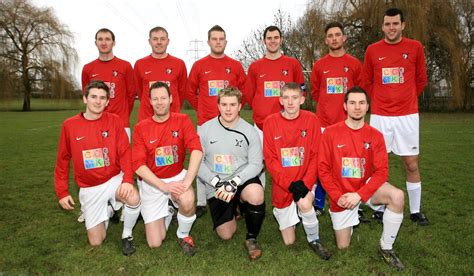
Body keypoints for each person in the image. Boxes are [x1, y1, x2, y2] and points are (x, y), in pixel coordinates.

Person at [318, 86, 405, 271]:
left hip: (366, 189)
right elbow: (323, 170)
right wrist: (336, 195)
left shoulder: (376, 136)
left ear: (367, 107)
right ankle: (352, 216)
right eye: (352, 103)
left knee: (397, 196)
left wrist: (359, 195)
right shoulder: (330, 133)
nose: (357, 107)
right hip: (341, 193)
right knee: (343, 247)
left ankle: (386, 247)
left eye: (361, 103)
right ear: (345, 106)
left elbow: (382, 171)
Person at [54, 80, 141, 256]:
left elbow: (125, 153)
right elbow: (63, 160)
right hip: (89, 187)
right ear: (85, 99)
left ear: (108, 102)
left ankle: (127, 234)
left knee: (133, 197)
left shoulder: (115, 121)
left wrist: (126, 180)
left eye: (102, 98)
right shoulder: (69, 125)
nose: (98, 101)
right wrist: (62, 192)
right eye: (93, 96)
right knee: (96, 241)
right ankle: (108, 209)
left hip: (113, 179)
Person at [361, 8, 429, 225]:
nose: (392, 28)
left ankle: (416, 211)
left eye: (395, 24)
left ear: (403, 25)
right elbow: (366, 82)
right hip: (381, 117)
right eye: (388, 24)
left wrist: (404, 98)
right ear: (382, 26)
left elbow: (421, 80)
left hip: (407, 116)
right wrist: (382, 100)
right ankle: (380, 207)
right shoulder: (372, 50)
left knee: (411, 163)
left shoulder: (415, 47)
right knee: (378, 164)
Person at [133, 81, 203, 256]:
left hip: (176, 176)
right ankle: (169, 210)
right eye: (155, 99)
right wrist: (163, 187)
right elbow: (138, 165)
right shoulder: (141, 127)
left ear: (171, 99)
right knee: (155, 243)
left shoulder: (183, 120)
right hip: (152, 182)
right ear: (149, 101)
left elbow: (196, 150)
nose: (159, 102)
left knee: (187, 200)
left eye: (163, 97)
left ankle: (183, 234)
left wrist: (187, 182)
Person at [263, 82, 330, 260]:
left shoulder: (312, 119)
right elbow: (270, 160)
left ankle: (314, 239)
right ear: (280, 100)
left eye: (294, 98)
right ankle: (293, 218)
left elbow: (316, 155)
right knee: (289, 242)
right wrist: (289, 184)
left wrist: (306, 183)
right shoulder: (270, 122)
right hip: (283, 185)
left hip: (304, 180)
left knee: (305, 204)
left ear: (302, 99)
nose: (290, 102)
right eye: (286, 98)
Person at [186, 25, 247, 218]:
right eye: (214, 39)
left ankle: (235, 196)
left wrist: (234, 112)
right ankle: (203, 201)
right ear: (209, 42)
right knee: (201, 159)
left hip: (230, 122)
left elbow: (243, 91)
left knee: (231, 158)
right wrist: (202, 108)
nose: (218, 42)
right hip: (205, 121)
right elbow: (189, 91)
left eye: (221, 39)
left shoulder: (236, 65)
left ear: (225, 42)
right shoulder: (199, 65)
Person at [198, 87, 265, 260]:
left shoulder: (250, 131)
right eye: (224, 104)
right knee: (226, 234)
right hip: (217, 184)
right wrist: (217, 183)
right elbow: (197, 163)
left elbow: (257, 164)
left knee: (256, 195)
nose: (228, 109)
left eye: (232, 104)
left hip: (240, 180)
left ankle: (251, 238)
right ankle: (235, 207)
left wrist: (234, 182)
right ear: (218, 106)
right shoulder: (205, 129)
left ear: (240, 106)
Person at [310, 22, 362, 215]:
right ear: (326, 40)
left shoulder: (355, 64)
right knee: (323, 164)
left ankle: (352, 201)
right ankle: (319, 202)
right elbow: (316, 92)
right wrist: (327, 107)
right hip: (324, 123)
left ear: (344, 38)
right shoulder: (319, 65)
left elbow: (360, 93)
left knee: (349, 162)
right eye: (330, 35)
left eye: (337, 35)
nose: (334, 38)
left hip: (349, 124)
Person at [246, 25, 305, 188]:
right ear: (264, 41)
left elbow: (301, 89)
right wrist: (260, 109)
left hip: (288, 124)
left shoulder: (292, 64)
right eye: (269, 38)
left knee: (289, 161)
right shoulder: (255, 67)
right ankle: (257, 201)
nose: (273, 41)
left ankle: (294, 197)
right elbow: (249, 95)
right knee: (259, 164)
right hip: (261, 126)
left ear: (281, 40)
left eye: (276, 38)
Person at [82, 28, 135, 140]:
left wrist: (123, 115)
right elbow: (87, 96)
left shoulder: (125, 66)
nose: (104, 42)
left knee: (122, 157)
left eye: (107, 39)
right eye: (100, 39)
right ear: (96, 43)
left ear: (113, 43)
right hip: (95, 123)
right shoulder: (88, 68)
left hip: (120, 123)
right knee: (97, 157)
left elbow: (131, 96)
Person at [134, 26, 188, 122]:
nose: (159, 42)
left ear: (168, 41)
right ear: (149, 41)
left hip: (173, 118)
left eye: (162, 39)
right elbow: (140, 91)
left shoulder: (179, 63)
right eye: (155, 39)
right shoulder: (140, 64)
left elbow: (182, 91)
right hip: (147, 118)